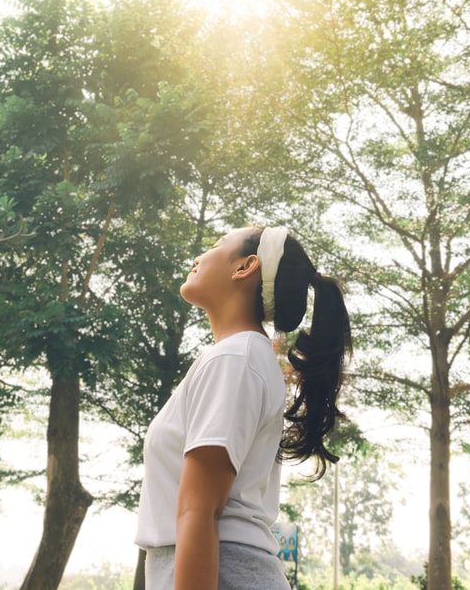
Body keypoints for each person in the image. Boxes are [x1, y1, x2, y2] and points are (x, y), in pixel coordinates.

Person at [135, 226, 353, 589]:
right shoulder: (238, 357)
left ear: (245, 267)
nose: (198, 257)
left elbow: (199, 510)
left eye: (217, 245)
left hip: (221, 571)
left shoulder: (236, 360)